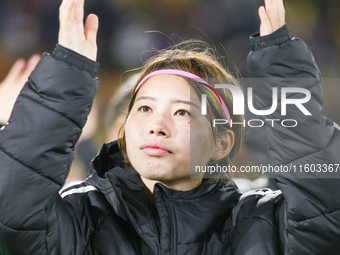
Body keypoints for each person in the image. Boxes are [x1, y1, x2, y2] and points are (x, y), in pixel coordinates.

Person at [0, 0, 339, 255]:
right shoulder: (79, 215)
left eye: (182, 113)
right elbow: (14, 211)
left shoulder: (263, 220)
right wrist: (63, 82)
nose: (157, 126)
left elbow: (324, 215)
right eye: (144, 108)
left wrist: (282, 73)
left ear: (223, 143)